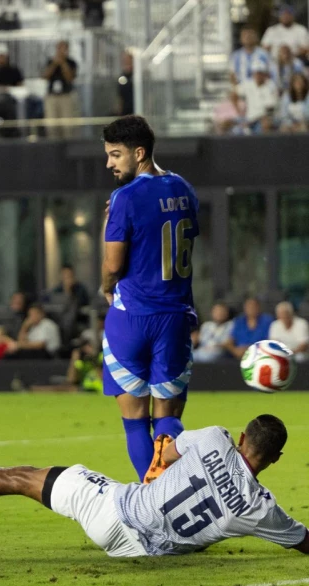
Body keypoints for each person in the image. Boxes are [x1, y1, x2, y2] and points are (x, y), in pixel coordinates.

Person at [0, 415, 309, 557]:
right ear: (274, 459)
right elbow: (303, 542)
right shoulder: (260, 510)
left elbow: (170, 449)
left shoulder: (216, 437)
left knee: (18, 477)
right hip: (140, 554)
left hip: (113, 508)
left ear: (241, 439)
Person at [101, 115, 199, 481]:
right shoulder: (184, 189)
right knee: (169, 417)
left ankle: (154, 504)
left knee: (134, 421)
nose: (109, 163)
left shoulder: (124, 197)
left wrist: (105, 286)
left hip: (130, 317)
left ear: (138, 153)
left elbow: (113, 264)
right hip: (174, 317)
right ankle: (175, 496)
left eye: (115, 155)